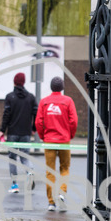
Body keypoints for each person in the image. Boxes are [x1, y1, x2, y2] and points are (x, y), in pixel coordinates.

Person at [35, 76, 78, 212]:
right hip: (64, 140)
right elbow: (74, 121)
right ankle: (62, 193)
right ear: (62, 87)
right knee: (64, 168)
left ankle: (51, 202)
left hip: (49, 140)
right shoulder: (68, 101)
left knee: (50, 171)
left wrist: (43, 136)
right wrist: (70, 135)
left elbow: (38, 122)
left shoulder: (44, 102)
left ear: (51, 87)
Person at [0, 72, 37, 193]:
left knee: (12, 158)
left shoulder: (10, 97)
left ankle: (14, 185)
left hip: (12, 133)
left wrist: (2, 130)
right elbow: (36, 113)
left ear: (14, 82)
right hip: (26, 133)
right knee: (24, 157)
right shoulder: (31, 97)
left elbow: (6, 115)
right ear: (24, 82)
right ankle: (29, 172)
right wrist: (33, 128)